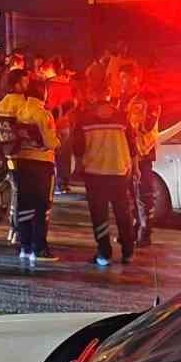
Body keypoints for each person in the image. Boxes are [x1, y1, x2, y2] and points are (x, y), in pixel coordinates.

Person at [71, 63, 137, 267]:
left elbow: (78, 148)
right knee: (122, 212)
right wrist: (134, 168)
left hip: (95, 172)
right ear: (108, 93)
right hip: (119, 170)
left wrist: (79, 167)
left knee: (99, 214)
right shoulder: (122, 116)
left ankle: (104, 253)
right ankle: (128, 251)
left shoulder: (84, 118)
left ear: (92, 93)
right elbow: (132, 145)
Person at [0, 75, 60, 271]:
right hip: (42, 163)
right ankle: (40, 247)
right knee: (42, 206)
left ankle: (24, 245)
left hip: (22, 161)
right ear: (43, 92)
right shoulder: (43, 114)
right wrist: (58, 140)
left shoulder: (19, 111)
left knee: (24, 204)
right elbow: (50, 142)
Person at [118, 64, 161, 247]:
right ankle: (133, 228)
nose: (121, 82)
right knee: (129, 194)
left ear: (135, 78)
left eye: (124, 78)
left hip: (142, 153)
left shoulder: (148, 97)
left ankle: (145, 232)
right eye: (120, 78)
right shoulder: (123, 98)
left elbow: (147, 125)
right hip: (126, 153)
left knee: (143, 194)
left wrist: (128, 126)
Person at [0, 68, 28, 243]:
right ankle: (18, 230)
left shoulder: (2, 102)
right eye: (25, 82)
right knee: (21, 192)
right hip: (21, 151)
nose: (27, 85)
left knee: (15, 190)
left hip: (6, 151)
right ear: (16, 84)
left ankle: (13, 229)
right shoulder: (22, 103)